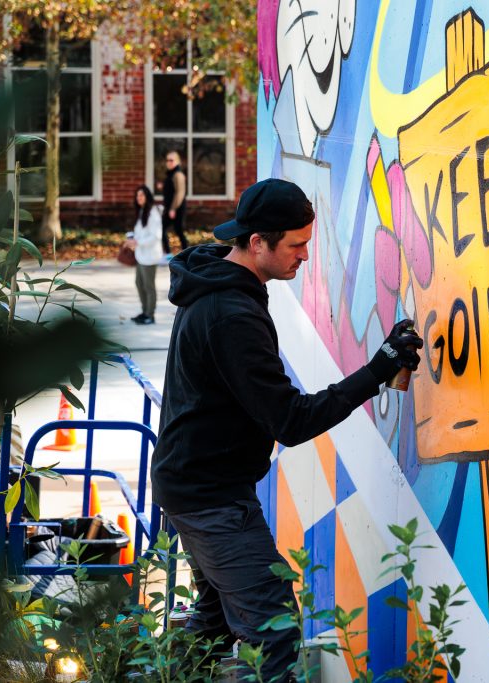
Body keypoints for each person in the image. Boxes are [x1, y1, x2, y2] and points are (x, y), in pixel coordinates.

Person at [151, 178, 424, 681]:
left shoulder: (220, 285)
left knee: (212, 627)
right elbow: (291, 420)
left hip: (197, 485)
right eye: (296, 245)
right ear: (258, 243)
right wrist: (379, 369)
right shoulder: (230, 313)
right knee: (275, 633)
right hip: (210, 497)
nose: (304, 256)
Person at [125, 184, 162, 325]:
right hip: (141, 255)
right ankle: (144, 311)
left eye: (142, 195)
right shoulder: (142, 211)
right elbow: (141, 232)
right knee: (139, 283)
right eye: (137, 195)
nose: (139, 198)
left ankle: (150, 315)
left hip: (150, 256)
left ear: (147, 197)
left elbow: (156, 236)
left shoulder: (153, 213)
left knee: (149, 286)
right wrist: (131, 237)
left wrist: (138, 242)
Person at [161, 150, 189, 254]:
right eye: (167, 160)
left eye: (171, 160)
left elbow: (180, 193)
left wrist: (173, 209)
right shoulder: (170, 174)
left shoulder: (178, 174)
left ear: (177, 161)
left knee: (178, 231)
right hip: (170, 208)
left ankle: (186, 252)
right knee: (163, 229)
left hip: (177, 208)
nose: (168, 162)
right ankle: (168, 253)